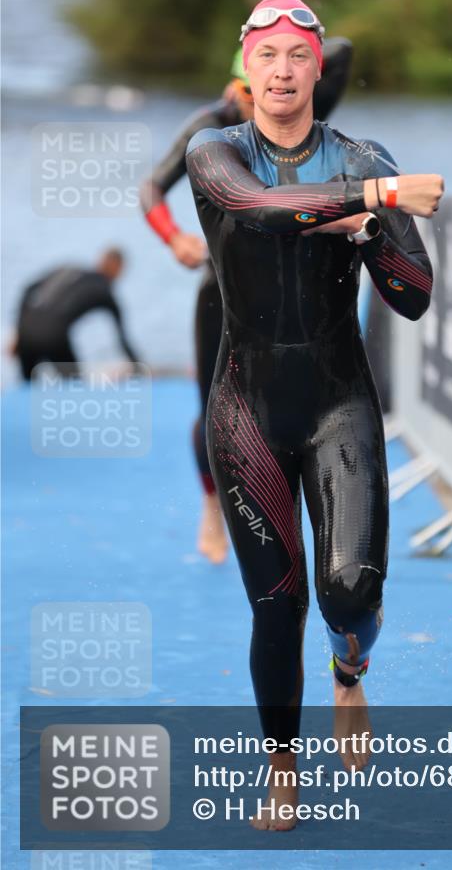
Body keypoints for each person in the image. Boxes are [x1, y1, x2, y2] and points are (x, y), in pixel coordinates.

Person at [186, 0, 442, 831]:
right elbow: (258, 212)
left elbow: (413, 298)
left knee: (351, 592)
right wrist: (369, 198)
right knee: (277, 604)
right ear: (246, 68)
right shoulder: (213, 150)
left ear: (316, 67)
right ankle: (282, 770)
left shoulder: (363, 152)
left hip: (338, 401)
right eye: (269, 58)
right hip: (247, 408)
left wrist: (375, 232)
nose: (284, 72)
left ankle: (349, 670)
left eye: (299, 56)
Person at [141, 41, 353, 565]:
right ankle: (213, 503)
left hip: (294, 287)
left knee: (309, 396)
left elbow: (343, 52)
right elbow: (150, 187)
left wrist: (291, 43)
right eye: (243, 89)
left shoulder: (295, 111)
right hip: (225, 287)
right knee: (211, 403)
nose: (254, 99)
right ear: (234, 86)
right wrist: (174, 239)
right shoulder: (210, 132)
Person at [13, 248, 139, 380]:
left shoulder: (70, 270)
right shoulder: (105, 292)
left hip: (26, 332)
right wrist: (138, 367)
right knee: (74, 386)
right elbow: (123, 340)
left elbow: (28, 289)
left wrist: (18, 332)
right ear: (118, 269)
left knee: (27, 389)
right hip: (53, 337)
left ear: (101, 260)